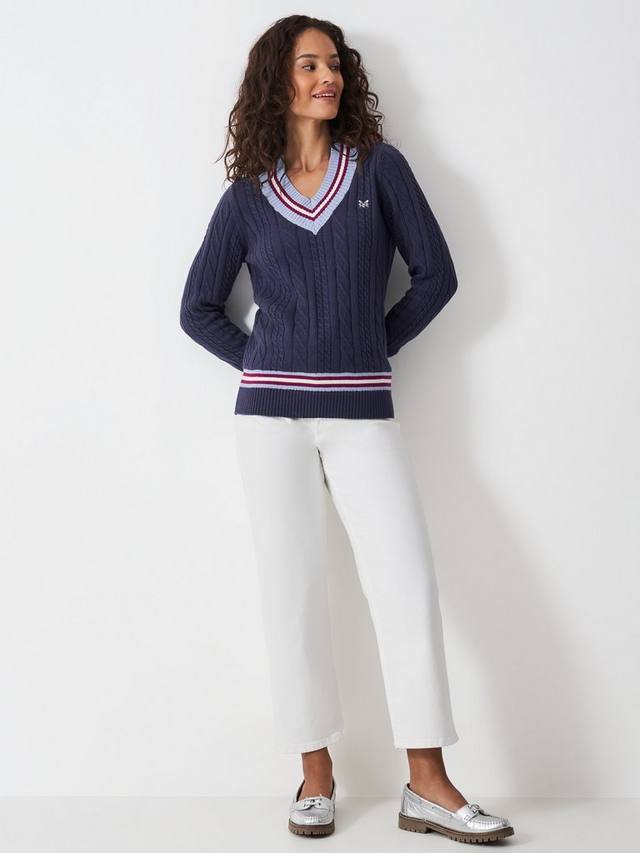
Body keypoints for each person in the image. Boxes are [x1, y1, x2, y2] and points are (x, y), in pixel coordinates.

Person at [179, 14, 514, 844]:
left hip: (363, 411)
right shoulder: (246, 197)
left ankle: (427, 782)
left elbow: (437, 276)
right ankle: (315, 774)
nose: (327, 76)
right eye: (309, 64)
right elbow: (197, 308)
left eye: (334, 63)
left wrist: (371, 345)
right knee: (291, 590)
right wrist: (268, 360)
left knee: (406, 585)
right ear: (277, 80)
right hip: (270, 422)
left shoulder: (379, 169)